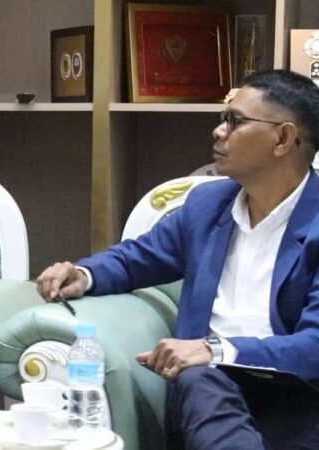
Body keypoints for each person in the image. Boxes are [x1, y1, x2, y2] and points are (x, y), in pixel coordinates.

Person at [37, 69, 319, 450]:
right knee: (198, 379)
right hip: (208, 389)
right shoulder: (207, 206)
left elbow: (314, 345)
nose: (218, 131)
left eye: (235, 122)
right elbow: (136, 258)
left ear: (283, 138)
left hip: (296, 396)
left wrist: (215, 348)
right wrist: (84, 274)